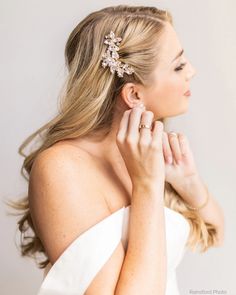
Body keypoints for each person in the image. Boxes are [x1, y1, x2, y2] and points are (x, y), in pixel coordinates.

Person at [8, 4, 224, 295]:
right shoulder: (62, 168)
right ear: (134, 94)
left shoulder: (148, 148)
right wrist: (146, 185)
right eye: (178, 65)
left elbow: (216, 234)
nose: (193, 71)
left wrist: (188, 182)